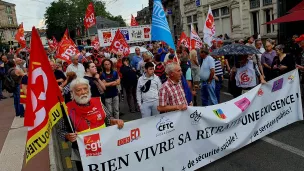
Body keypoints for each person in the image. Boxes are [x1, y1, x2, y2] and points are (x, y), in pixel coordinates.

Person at [57, 78, 124, 171]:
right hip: (82, 154)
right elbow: (60, 131)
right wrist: (67, 136)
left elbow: (108, 119)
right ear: (72, 93)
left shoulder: (98, 102)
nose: (83, 92)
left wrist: (114, 121)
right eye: (79, 90)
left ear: (89, 89)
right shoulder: (67, 109)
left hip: (104, 148)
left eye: (85, 89)